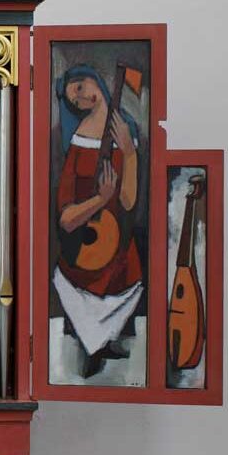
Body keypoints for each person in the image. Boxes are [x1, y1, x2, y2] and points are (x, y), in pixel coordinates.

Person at [53, 64, 143, 379]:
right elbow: (65, 218)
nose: (80, 99)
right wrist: (99, 200)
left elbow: (129, 201)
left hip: (118, 257)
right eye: (73, 100)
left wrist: (129, 154)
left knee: (128, 277)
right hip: (84, 256)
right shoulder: (78, 144)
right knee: (69, 285)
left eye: (80, 87)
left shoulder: (126, 134)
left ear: (95, 80)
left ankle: (110, 343)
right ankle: (91, 347)